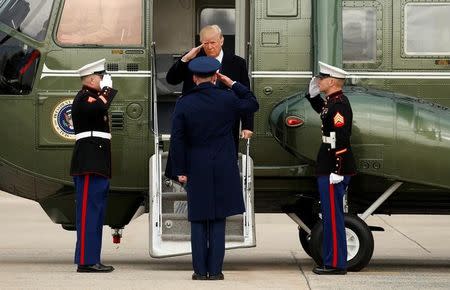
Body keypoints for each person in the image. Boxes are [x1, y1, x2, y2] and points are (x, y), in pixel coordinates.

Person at [169, 56, 259, 280]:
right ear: (216, 76)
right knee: (219, 219)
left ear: (194, 78)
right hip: (223, 164)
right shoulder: (227, 99)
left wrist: (179, 169)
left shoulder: (184, 103)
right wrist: (234, 84)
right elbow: (253, 103)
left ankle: (200, 272)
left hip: (196, 164)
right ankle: (216, 271)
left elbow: (177, 140)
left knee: (199, 219)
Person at [305, 61, 356, 275]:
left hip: (334, 167)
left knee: (333, 218)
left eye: (322, 79)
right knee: (329, 215)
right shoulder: (331, 102)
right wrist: (313, 96)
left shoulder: (339, 105)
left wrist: (338, 169)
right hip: (328, 164)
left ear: (332, 81)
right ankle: (332, 260)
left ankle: (335, 263)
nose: (319, 81)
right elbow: (323, 113)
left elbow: (341, 138)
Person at [166, 24, 254, 146]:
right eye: (205, 43)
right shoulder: (192, 59)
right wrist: (185, 59)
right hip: (196, 125)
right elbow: (171, 80)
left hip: (226, 126)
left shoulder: (237, 63)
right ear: (201, 43)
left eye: (213, 42)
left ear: (221, 40)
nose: (210, 47)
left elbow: (244, 93)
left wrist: (247, 126)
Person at [70, 59, 117, 273]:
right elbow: (100, 106)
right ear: (90, 78)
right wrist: (107, 88)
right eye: (100, 77)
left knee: (96, 213)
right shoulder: (84, 98)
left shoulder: (93, 98)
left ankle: (91, 258)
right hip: (89, 162)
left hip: (97, 162)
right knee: (89, 213)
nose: (102, 80)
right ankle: (86, 260)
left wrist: (105, 89)